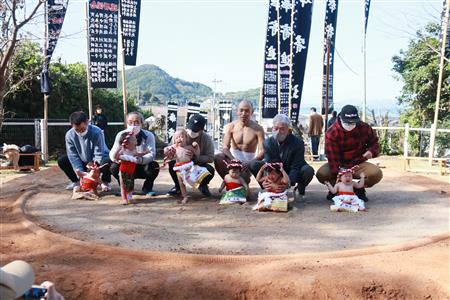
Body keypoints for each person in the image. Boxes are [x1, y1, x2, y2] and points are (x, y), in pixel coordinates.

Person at [316, 104, 383, 201]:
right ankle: (336, 189)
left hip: (358, 163)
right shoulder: (332, 132)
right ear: (340, 119)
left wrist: (371, 151)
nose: (350, 125)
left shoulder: (364, 128)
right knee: (322, 174)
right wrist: (340, 175)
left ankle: (358, 189)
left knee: (376, 173)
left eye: (353, 123)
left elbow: (375, 143)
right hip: (339, 163)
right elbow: (332, 157)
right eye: (347, 123)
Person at [249, 114, 315, 199]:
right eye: (276, 128)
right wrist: (267, 180)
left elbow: (296, 167)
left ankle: (300, 189)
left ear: (289, 130)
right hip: (276, 170)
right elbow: (269, 165)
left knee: (308, 170)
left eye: (282, 129)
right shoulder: (267, 143)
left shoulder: (298, 143)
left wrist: (287, 183)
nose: (278, 132)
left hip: (292, 169)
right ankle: (269, 187)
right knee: (254, 164)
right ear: (272, 128)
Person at [57, 111, 111, 191]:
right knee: (62, 160)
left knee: (107, 161)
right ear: (72, 125)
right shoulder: (69, 135)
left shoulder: (96, 132)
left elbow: (99, 152)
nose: (80, 132)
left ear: (87, 122)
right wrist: (80, 173)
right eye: (77, 130)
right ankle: (76, 182)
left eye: (82, 129)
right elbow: (73, 156)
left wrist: (94, 164)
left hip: (100, 158)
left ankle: (105, 181)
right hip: (82, 159)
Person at [110, 112, 160, 196]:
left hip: (141, 166)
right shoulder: (121, 135)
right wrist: (116, 158)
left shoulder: (149, 135)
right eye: (130, 122)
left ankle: (147, 188)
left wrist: (138, 159)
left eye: (137, 122)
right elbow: (113, 152)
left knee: (154, 166)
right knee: (114, 167)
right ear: (126, 124)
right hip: (125, 165)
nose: (133, 125)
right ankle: (124, 188)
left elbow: (152, 154)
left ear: (142, 124)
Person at [214, 100, 265, 183]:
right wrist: (234, 160)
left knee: (244, 181)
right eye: (241, 110)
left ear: (252, 112)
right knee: (218, 157)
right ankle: (229, 182)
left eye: (247, 111)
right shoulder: (231, 126)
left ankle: (245, 182)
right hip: (233, 160)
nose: (244, 113)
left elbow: (262, 151)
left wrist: (250, 163)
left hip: (248, 164)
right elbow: (225, 148)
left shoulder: (258, 129)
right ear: (237, 111)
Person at [166, 114, 215, 197]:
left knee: (210, 170)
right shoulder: (179, 135)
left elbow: (210, 157)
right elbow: (171, 150)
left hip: (198, 164)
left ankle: (203, 185)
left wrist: (195, 157)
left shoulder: (206, 138)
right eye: (190, 129)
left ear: (202, 130)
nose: (192, 132)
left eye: (195, 130)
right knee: (172, 164)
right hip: (181, 163)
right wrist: (170, 152)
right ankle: (178, 186)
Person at [164, 129, 211, 204]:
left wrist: (197, 147)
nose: (179, 139)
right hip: (179, 168)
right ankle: (185, 196)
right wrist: (166, 150)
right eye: (177, 138)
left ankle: (202, 186)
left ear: (186, 138)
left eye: (181, 137)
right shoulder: (174, 147)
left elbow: (197, 154)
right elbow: (166, 150)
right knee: (181, 183)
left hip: (190, 167)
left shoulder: (189, 147)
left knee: (194, 177)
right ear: (174, 140)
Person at [114, 131, 138, 205]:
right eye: (134, 140)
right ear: (127, 144)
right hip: (123, 171)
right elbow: (116, 157)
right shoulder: (123, 150)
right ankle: (124, 198)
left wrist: (145, 153)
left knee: (130, 185)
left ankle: (129, 198)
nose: (136, 141)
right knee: (123, 186)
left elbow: (138, 154)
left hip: (131, 171)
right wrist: (118, 150)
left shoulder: (134, 150)